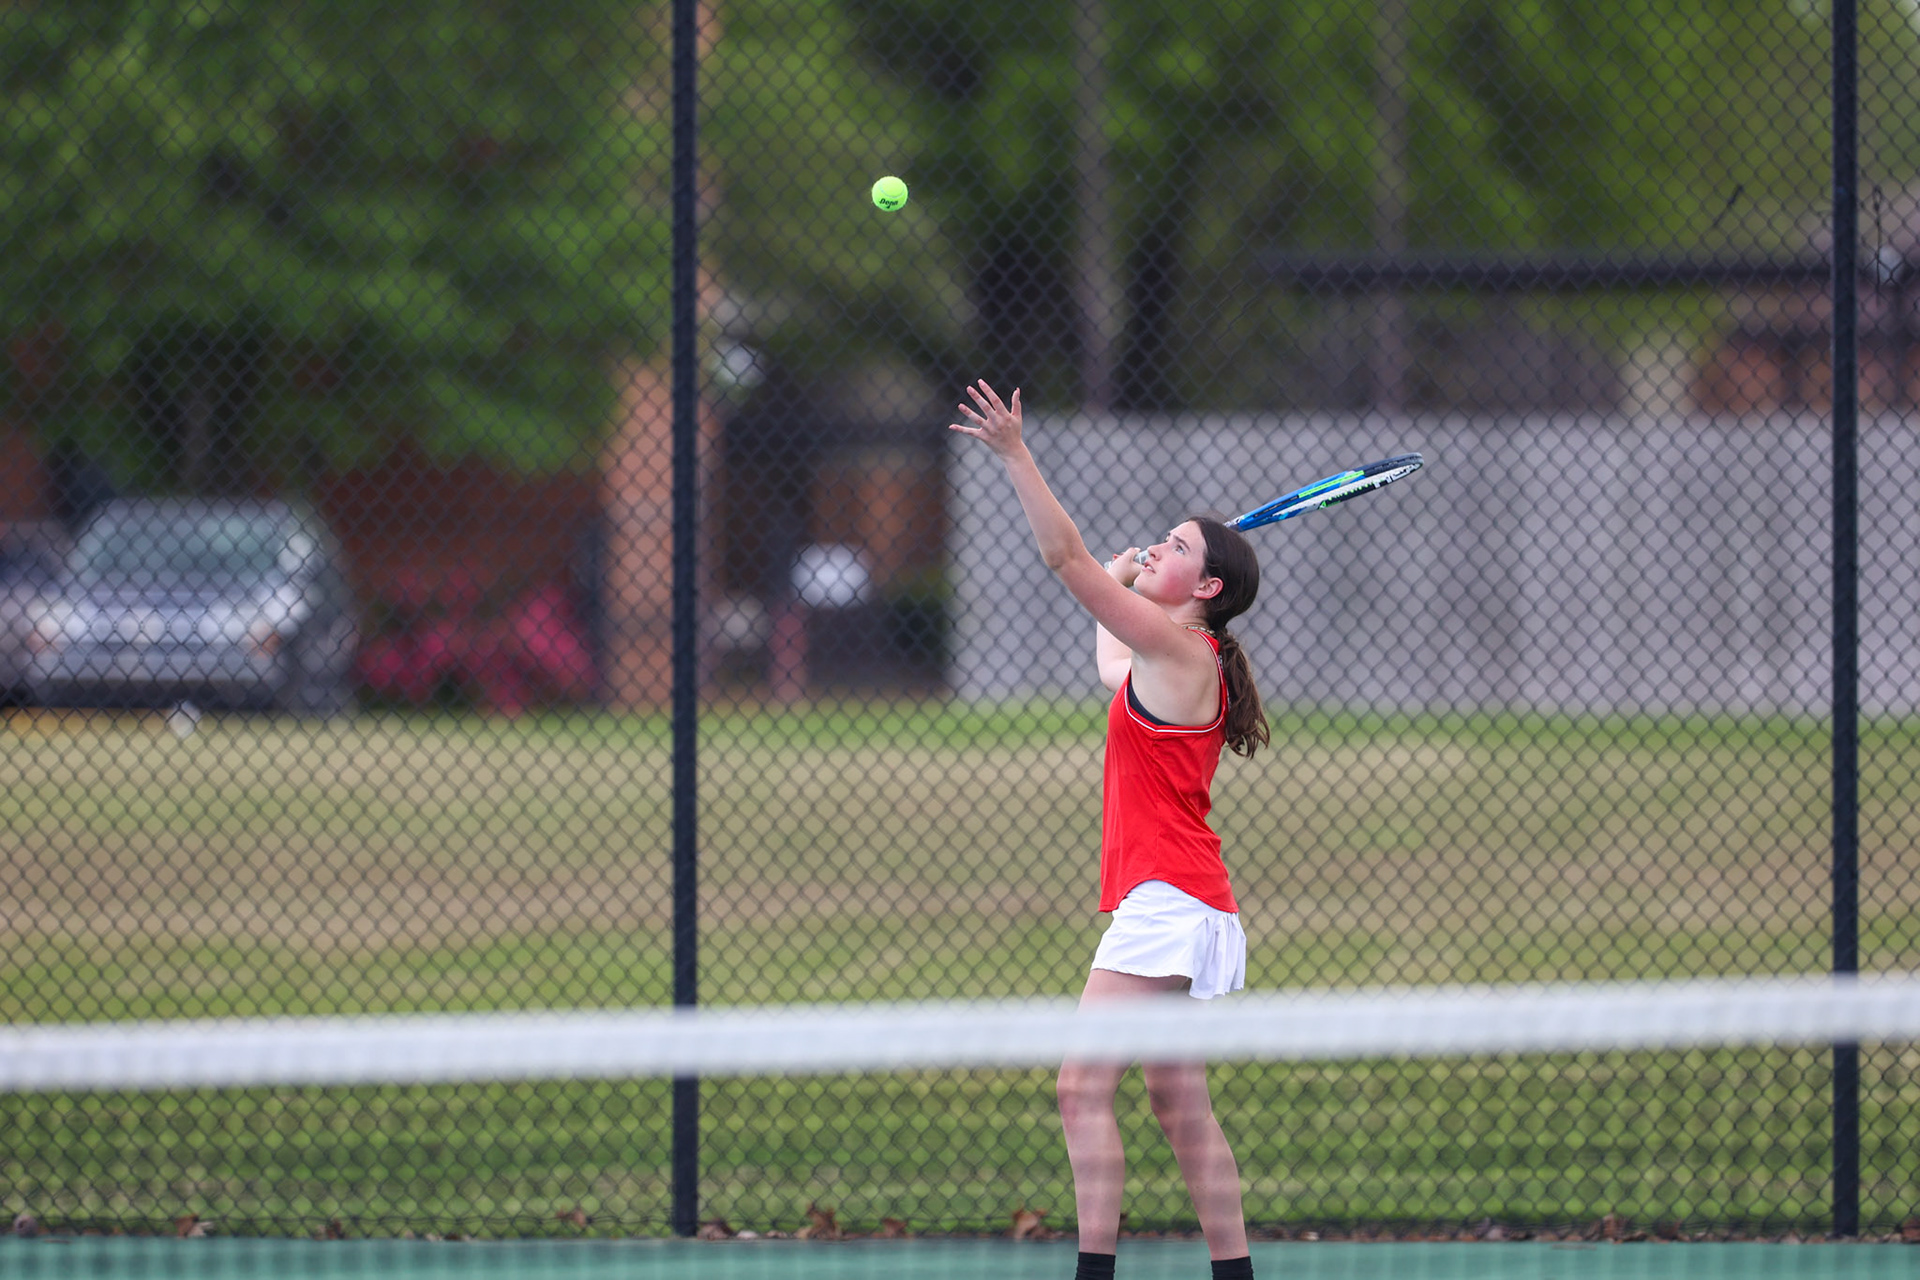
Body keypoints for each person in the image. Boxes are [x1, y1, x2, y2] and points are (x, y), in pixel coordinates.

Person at [950, 380, 1268, 1280]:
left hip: (1169, 901)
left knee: (1080, 1086)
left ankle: (1094, 1274)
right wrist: (1128, 577)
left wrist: (1017, 455)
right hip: (1187, 897)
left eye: (1176, 548)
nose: (1159, 546)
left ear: (1205, 586)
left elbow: (1065, 561)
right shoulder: (1173, 654)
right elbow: (1108, 661)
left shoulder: (1181, 650)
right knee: (1176, 1103)